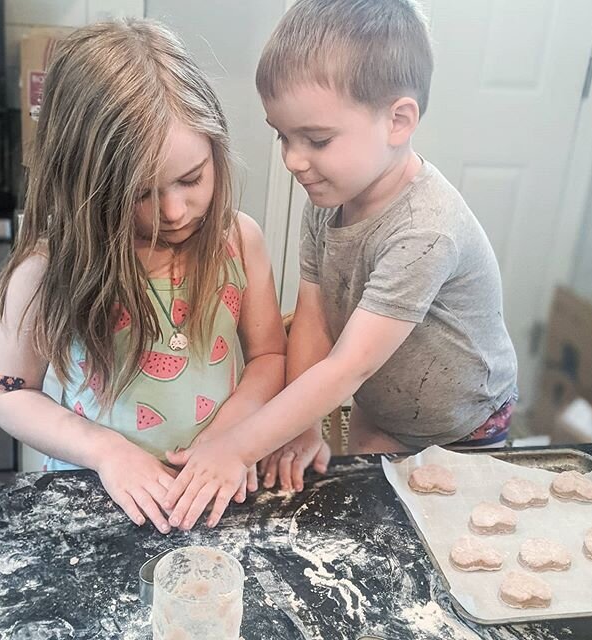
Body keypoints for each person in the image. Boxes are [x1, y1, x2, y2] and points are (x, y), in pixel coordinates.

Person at [161, 0, 518, 531]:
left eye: (317, 140)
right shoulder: (327, 199)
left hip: (463, 425)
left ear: (398, 121)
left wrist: (235, 448)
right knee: (372, 527)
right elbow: (314, 319)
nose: (293, 160)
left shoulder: (426, 229)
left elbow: (349, 366)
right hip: (384, 410)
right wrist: (303, 428)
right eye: (283, 136)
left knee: (447, 545)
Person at [0, 19, 286, 535]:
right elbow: (8, 393)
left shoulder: (239, 242)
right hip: (96, 503)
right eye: (140, 193)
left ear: (215, 148)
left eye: (191, 178)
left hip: (217, 490)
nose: (174, 210)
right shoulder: (49, 270)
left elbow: (269, 357)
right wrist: (106, 451)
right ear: (83, 182)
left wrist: (229, 440)